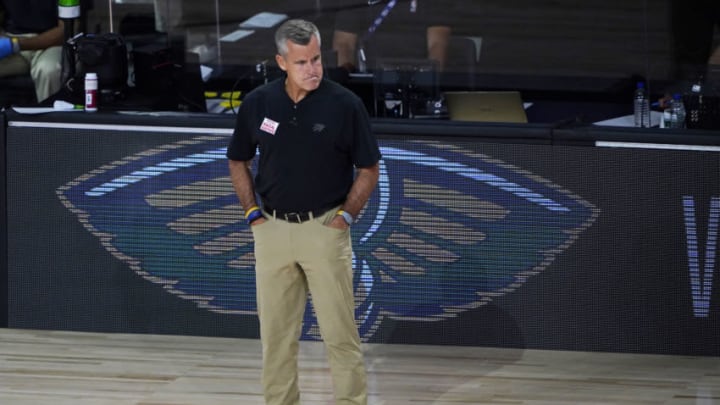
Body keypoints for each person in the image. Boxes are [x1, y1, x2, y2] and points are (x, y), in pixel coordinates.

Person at [226, 18, 381, 405]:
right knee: (275, 338)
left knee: (340, 336)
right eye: (301, 62)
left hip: (324, 230)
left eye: (316, 59)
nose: (312, 69)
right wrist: (252, 214)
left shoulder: (345, 105)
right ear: (281, 62)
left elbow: (369, 168)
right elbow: (237, 159)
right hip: (272, 231)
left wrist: (345, 217)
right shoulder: (259, 103)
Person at [332, 0, 451, 72]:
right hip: (368, 80)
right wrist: (346, 84)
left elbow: (437, 45)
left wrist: (428, 84)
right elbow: (344, 44)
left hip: (416, 79)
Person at [0, 0, 65, 102]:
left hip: (52, 44)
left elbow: (66, 30)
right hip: (11, 41)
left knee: (49, 71)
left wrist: (16, 44)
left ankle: (51, 116)